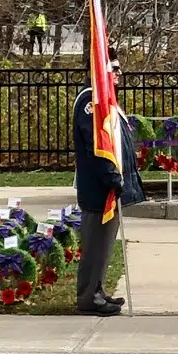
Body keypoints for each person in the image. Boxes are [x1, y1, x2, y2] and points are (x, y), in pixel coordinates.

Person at [71, 52, 144, 317]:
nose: (119, 73)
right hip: (98, 188)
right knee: (95, 245)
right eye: (114, 68)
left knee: (103, 245)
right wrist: (112, 177)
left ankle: (97, 291)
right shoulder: (91, 102)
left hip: (108, 187)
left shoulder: (105, 100)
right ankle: (88, 297)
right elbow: (97, 145)